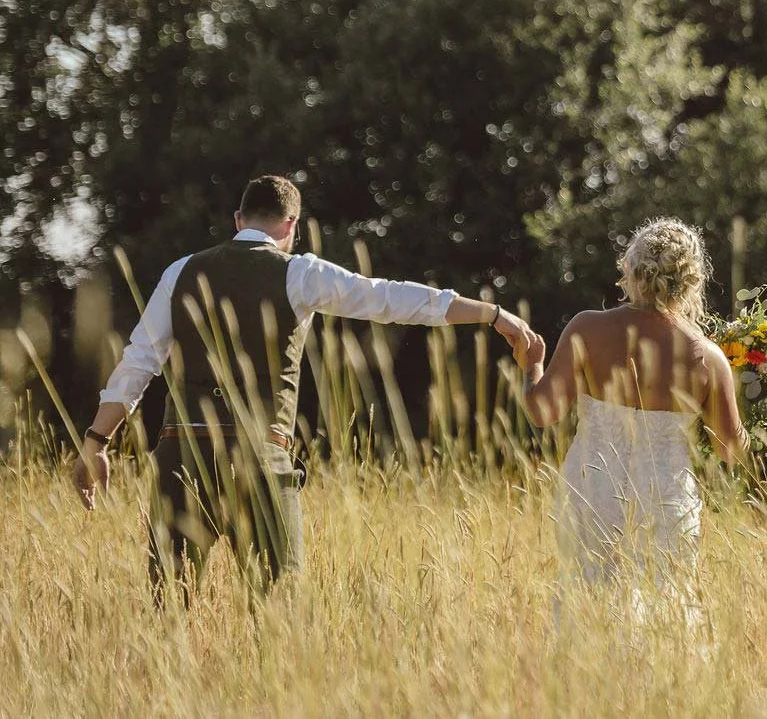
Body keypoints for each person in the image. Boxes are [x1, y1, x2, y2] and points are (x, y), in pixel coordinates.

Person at [71, 174, 542, 599]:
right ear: (291, 224)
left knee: (170, 607)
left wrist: (96, 442)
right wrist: (492, 314)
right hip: (261, 457)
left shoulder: (181, 272)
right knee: (280, 611)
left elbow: (138, 361)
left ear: (238, 220)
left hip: (183, 457)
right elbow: (388, 298)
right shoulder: (299, 272)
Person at [517, 218, 746, 618]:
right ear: (691, 280)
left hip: (592, 487)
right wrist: (749, 389)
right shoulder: (708, 357)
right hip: (665, 498)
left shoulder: (586, 328)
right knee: (665, 603)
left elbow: (543, 412)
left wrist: (531, 367)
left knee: (587, 597)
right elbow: (731, 450)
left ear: (631, 267)